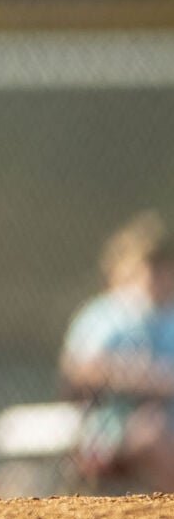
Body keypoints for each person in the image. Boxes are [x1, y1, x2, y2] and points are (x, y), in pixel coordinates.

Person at [59, 210, 174, 492]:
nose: (154, 278)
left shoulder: (169, 317)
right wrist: (143, 379)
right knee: (153, 432)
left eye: (161, 268)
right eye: (145, 268)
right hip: (111, 427)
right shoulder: (105, 314)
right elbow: (77, 371)